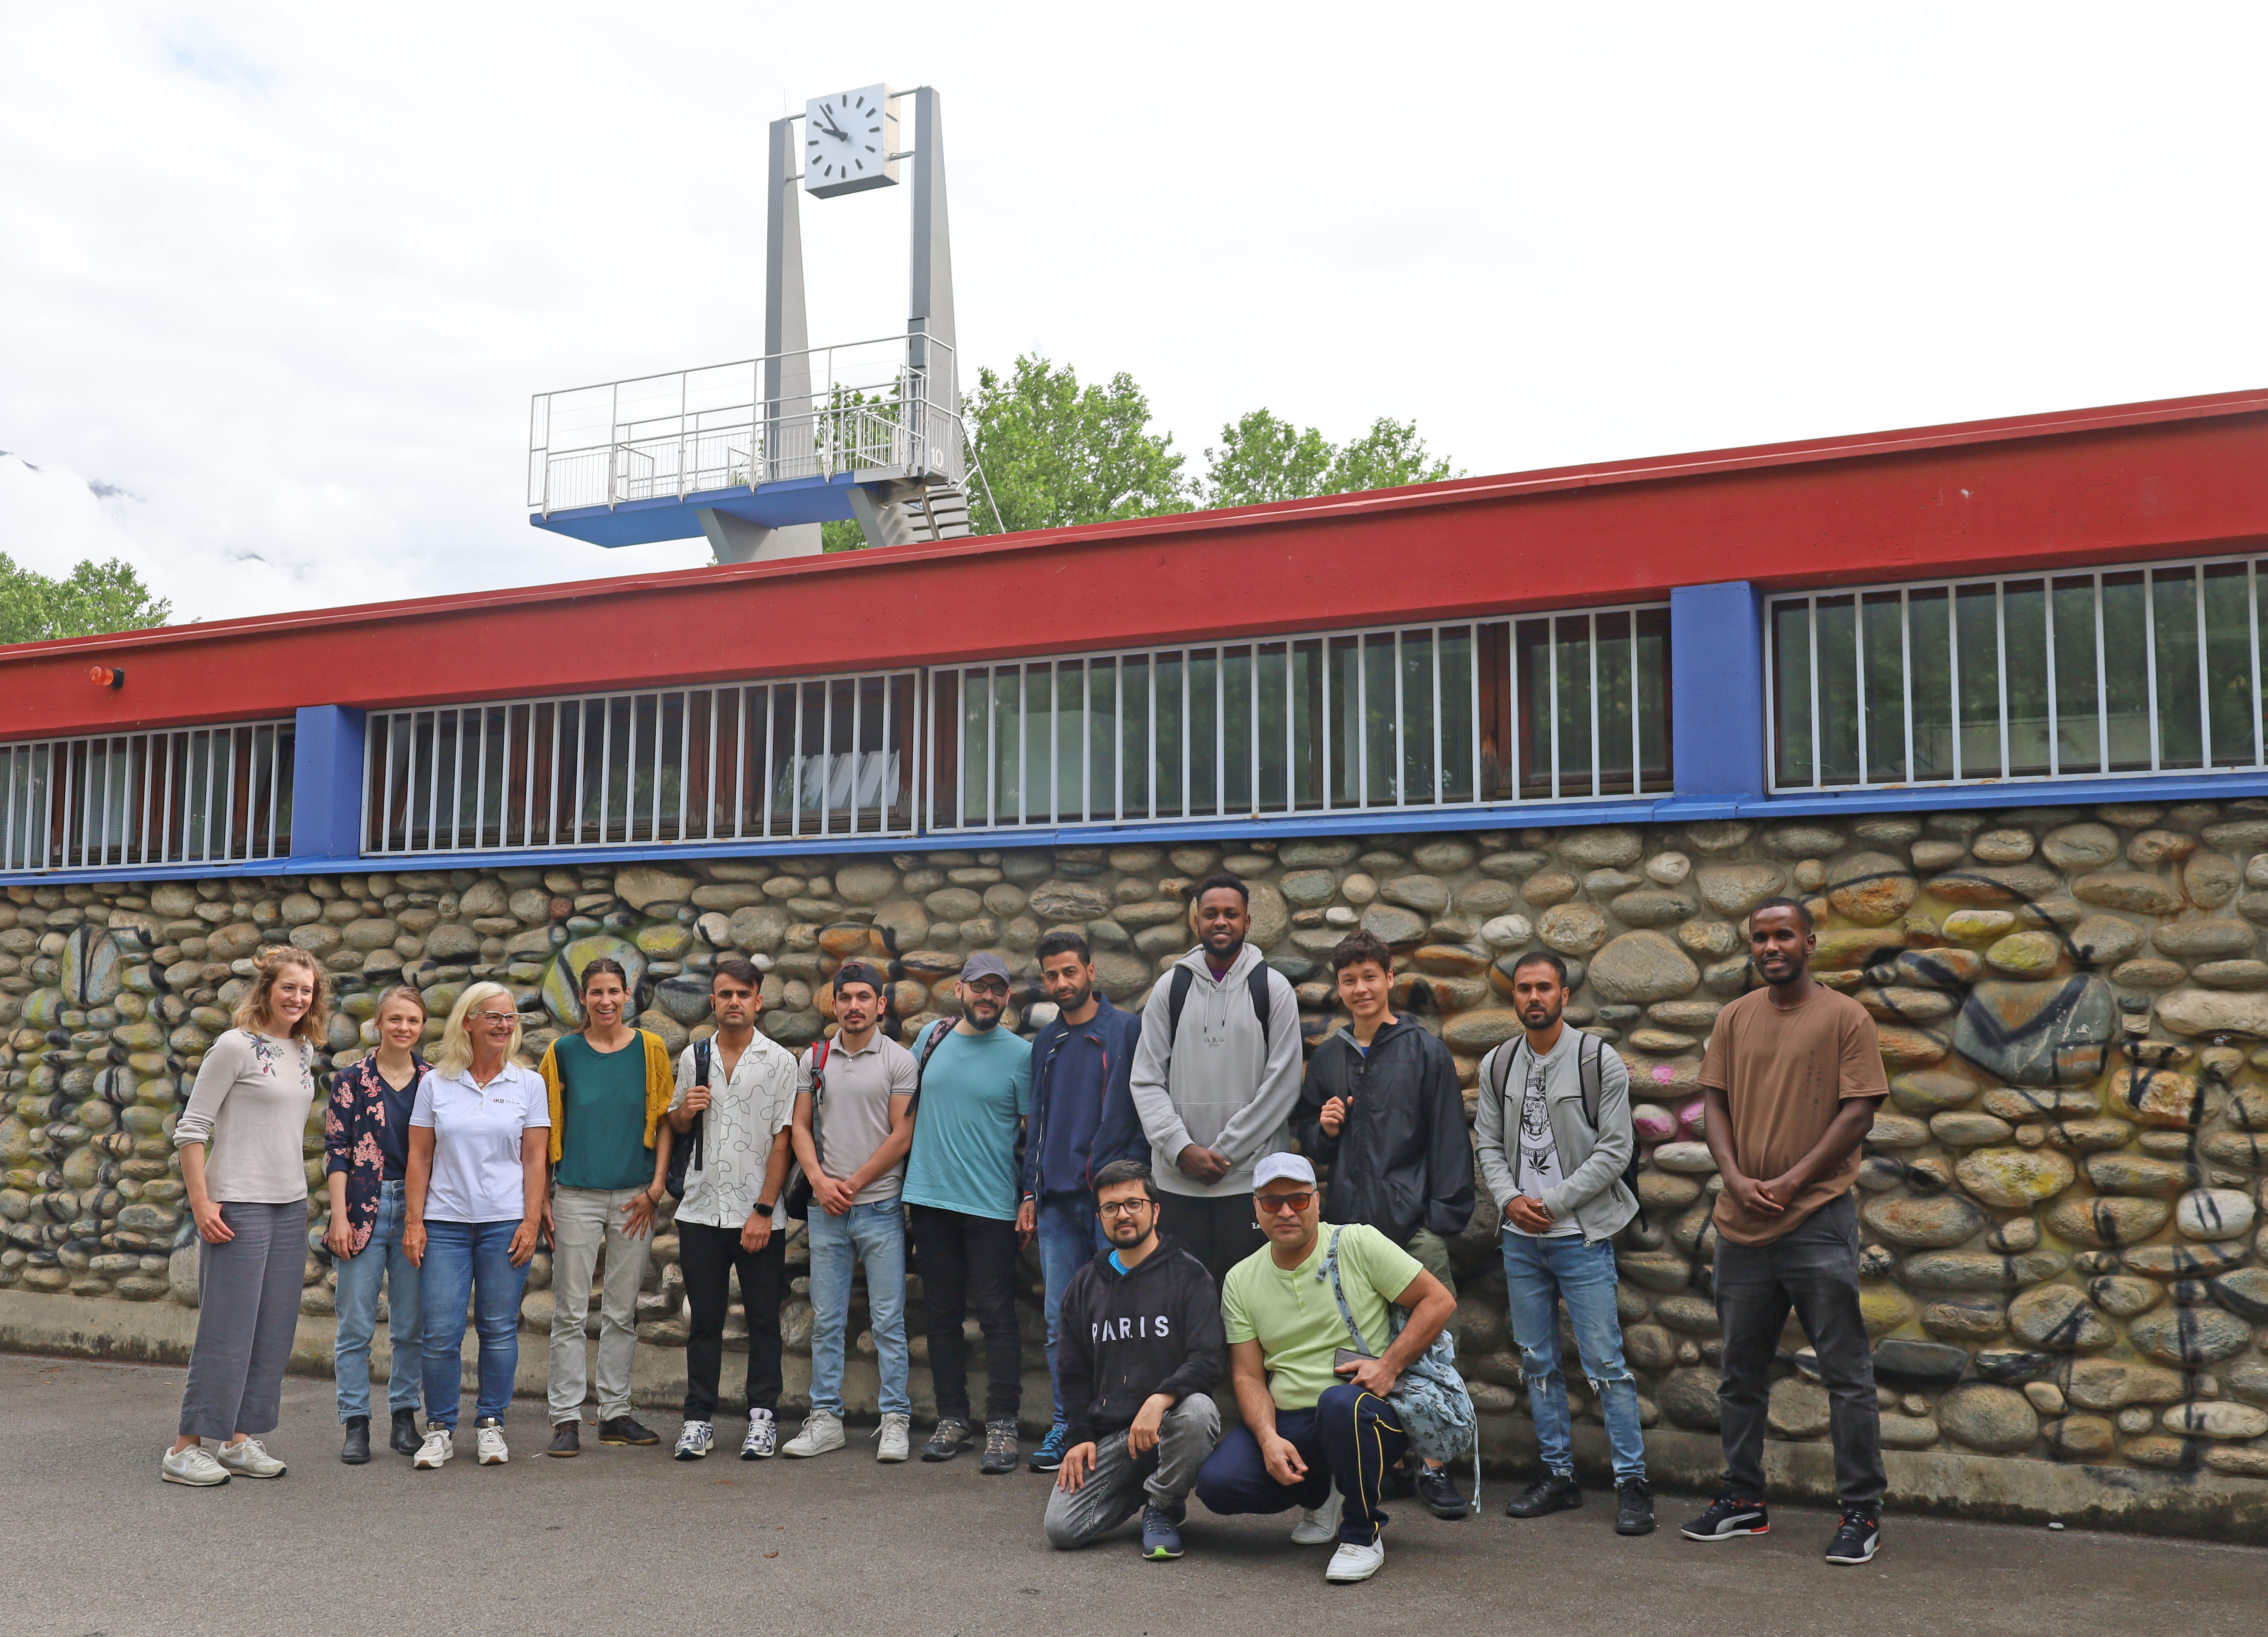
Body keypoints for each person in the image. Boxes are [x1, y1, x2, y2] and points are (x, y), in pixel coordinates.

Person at [1684, 898, 1889, 1566]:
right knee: (1739, 1373)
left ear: (1809, 941)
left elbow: (1857, 1112)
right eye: (1760, 938)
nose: (1770, 947)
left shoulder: (1844, 1017)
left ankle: (1861, 1511)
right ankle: (1742, 1500)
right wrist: (1734, 1177)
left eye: (1783, 936)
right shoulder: (1733, 1017)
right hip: (1741, 1224)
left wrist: (1795, 1180)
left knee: (1845, 1374)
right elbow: (1712, 1101)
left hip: (1817, 1221)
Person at [1194, 1154, 1457, 1585]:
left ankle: (1362, 1534)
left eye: (1298, 1200)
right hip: (1293, 1418)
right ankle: (1323, 1492)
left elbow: (1439, 1301)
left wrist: (1389, 1367)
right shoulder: (1241, 1279)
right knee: (1219, 1486)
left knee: (1340, 1405)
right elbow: (1247, 1375)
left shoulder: (1357, 1243)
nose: (1286, 1212)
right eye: (1272, 1202)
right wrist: (1268, 1438)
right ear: (1256, 1208)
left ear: (1317, 1202)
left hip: (1367, 1411)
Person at [1294, 928, 1475, 1520]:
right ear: (1339, 988)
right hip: (1351, 1226)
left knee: (1427, 1346)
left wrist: (1442, 1219)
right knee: (1364, 1344)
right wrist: (1322, 1129)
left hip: (1415, 1221)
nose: (1360, 989)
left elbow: (1449, 1135)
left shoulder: (1422, 1050)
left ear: (1388, 979)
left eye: (1370, 977)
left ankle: (1435, 1464)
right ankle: (1386, 1459)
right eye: (1349, 980)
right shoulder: (1329, 1056)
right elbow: (1310, 1147)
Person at [1473, 950, 1652, 1535]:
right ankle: (1557, 1476)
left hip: (1581, 1235)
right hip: (1521, 1240)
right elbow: (1488, 1146)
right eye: (1523, 988)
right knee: (1536, 1360)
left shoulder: (1598, 1061)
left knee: (1605, 1363)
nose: (1532, 997)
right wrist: (1509, 1201)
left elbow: (1615, 1149)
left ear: (1563, 995)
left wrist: (1550, 1204)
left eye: (1543, 988)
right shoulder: (1498, 1064)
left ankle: (1632, 1483)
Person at [161, 947, 329, 1487]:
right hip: (238, 1202)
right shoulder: (234, 1046)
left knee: (272, 1329)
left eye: (306, 991)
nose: (298, 998)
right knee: (227, 1330)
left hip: (289, 1203)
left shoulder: (304, 1050)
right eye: (289, 988)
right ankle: (185, 1447)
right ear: (266, 990)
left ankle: (237, 1440)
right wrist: (204, 1203)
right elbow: (191, 1131)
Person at [1126, 873, 1302, 1291]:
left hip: (1251, 1183)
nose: (1220, 921)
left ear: (1247, 923)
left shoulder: (1272, 989)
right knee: (1184, 1303)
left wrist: (1223, 1152)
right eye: (1211, 914)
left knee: (1251, 1304)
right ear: (1197, 922)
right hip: (1178, 1183)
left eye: (1231, 914)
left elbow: (1283, 1085)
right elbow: (1146, 1079)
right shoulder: (1171, 988)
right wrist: (1180, 1148)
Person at [1045, 1160, 1224, 1560]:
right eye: (1111, 1207)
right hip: (1115, 1440)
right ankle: (1146, 1486)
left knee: (1199, 1411)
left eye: (1133, 1203)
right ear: (1101, 1217)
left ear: (1155, 1210)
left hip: (1171, 1424)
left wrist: (1160, 1399)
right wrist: (1079, 1438)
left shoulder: (1189, 1275)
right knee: (1062, 1529)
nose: (1122, 1214)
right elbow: (1071, 1374)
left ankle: (1162, 1505)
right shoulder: (1084, 1285)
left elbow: (1208, 1358)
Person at [404, 983, 550, 1470]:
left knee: (498, 1328)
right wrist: (413, 1222)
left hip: (504, 1222)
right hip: (444, 1223)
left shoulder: (528, 1085)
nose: (504, 1026)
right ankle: (440, 1428)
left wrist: (531, 1221)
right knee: (441, 1332)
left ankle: (491, 1424)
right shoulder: (436, 1084)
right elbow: (420, 1156)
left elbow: (535, 1159)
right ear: (467, 1021)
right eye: (493, 1016)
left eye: (510, 1018)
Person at [537, 957, 675, 1456]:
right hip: (575, 1193)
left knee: (621, 1312)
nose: (606, 1001)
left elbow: (663, 1120)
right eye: (596, 992)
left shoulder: (651, 1049)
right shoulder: (563, 1052)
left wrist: (656, 1189)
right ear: (584, 999)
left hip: (635, 1197)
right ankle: (566, 1418)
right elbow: (545, 1128)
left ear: (628, 995)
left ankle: (615, 1412)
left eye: (614, 991)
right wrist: (544, 1196)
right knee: (570, 1312)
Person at [1019, 931, 1145, 1473]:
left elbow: (1143, 1110)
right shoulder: (1045, 1042)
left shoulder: (1126, 1031)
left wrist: (1130, 1186)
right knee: (1060, 1322)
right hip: (1055, 1207)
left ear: (1092, 972)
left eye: (1071, 971)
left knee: (1120, 1320)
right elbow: (1036, 1124)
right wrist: (1030, 1189)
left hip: (1111, 1204)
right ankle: (1068, 1427)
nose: (1062, 982)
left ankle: (1117, 1432)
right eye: (1052, 975)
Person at [903, 952, 1035, 1472]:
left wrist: (1029, 1196)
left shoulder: (1021, 1054)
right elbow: (901, 1111)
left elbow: (1034, 1135)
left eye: (997, 990)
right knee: (941, 1317)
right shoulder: (930, 1040)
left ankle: (1003, 1425)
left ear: (1006, 998)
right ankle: (953, 1418)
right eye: (979, 988)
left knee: (999, 1317)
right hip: (932, 1200)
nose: (987, 997)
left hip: (992, 1207)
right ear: (959, 991)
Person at [783, 961, 917, 1462]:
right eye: (846, 998)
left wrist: (855, 1184)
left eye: (865, 997)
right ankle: (825, 1420)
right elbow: (799, 1126)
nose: (855, 1006)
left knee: (887, 1320)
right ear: (834, 1004)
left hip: (879, 1206)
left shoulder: (899, 1061)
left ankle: (895, 1419)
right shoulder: (815, 1058)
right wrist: (820, 1181)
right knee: (827, 1321)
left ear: (880, 1005)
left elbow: (901, 1134)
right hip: (825, 1210)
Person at [668, 958, 800, 1462]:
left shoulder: (780, 1062)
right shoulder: (693, 1056)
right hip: (702, 1211)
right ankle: (697, 1420)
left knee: (764, 1320)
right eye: (725, 994)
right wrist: (686, 1110)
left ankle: (762, 1419)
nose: (734, 1003)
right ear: (713, 1001)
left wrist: (765, 1211)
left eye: (743, 994)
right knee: (705, 1321)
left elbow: (782, 1142)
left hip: (758, 1214)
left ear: (758, 1000)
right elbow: (678, 1126)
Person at [324, 984, 429, 1464]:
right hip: (362, 1209)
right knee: (356, 1326)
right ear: (378, 1025)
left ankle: (405, 1418)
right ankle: (356, 1423)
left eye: (413, 1021)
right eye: (395, 1020)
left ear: (421, 1027)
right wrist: (339, 1217)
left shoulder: (434, 1082)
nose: (403, 1028)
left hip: (415, 1212)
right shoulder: (350, 1080)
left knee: (410, 1326)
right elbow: (337, 1153)